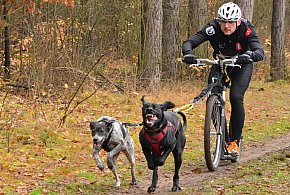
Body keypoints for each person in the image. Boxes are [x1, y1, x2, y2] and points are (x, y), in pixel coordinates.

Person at [182, 2, 264, 156]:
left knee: (236, 96)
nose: (226, 26)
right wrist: (188, 53)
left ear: (237, 21)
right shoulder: (212, 28)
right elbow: (190, 42)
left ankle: (234, 141)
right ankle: (224, 140)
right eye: (223, 21)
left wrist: (249, 55)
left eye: (230, 22)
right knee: (211, 97)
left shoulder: (246, 29)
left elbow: (259, 51)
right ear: (218, 21)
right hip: (220, 63)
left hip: (241, 65)